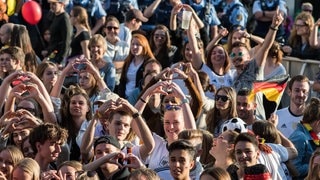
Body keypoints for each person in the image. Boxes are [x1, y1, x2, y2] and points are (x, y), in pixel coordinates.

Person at [289, 97, 320, 179]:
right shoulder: (300, 137)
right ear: (318, 122)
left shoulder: (313, 136)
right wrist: (315, 165)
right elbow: (294, 169)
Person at [118, 33, 155, 98]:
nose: (134, 47)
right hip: (126, 97)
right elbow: (122, 81)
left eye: (138, 44)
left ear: (144, 46)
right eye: (133, 44)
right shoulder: (128, 61)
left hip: (139, 97)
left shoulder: (149, 63)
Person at [103, 16, 130, 87]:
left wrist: (118, 65)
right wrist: (122, 64)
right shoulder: (100, 45)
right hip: (105, 82)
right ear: (104, 30)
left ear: (119, 30)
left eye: (115, 28)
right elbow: (106, 65)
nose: (112, 30)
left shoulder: (125, 45)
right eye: (109, 28)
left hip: (122, 82)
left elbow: (128, 64)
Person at [46, 0, 73, 64]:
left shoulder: (65, 18)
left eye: (54, 4)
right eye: (51, 4)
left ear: (62, 4)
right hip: (53, 53)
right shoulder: (55, 16)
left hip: (58, 55)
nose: (51, 6)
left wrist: (61, 60)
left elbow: (67, 40)